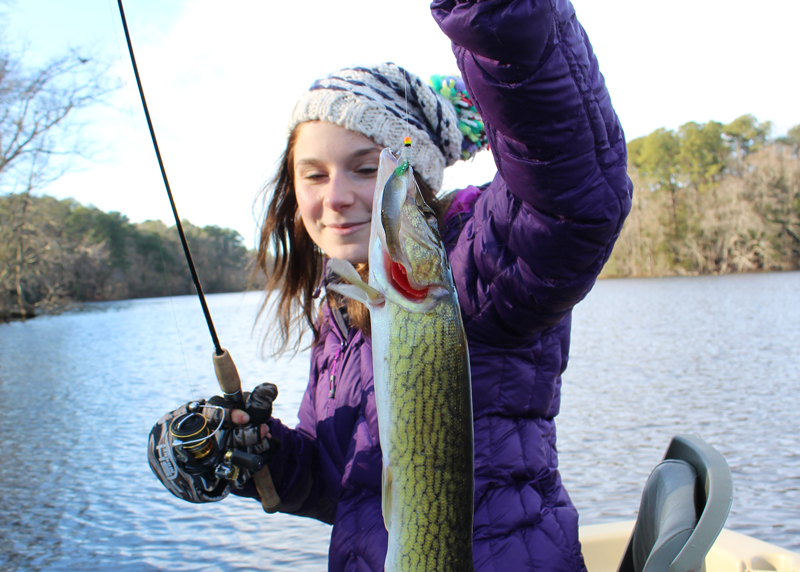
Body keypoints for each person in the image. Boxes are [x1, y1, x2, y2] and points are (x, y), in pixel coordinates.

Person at [149, 1, 632, 571]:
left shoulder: (477, 266)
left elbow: (573, 190)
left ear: (413, 175)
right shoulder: (344, 310)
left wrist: (498, 15)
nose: (335, 197)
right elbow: (342, 481)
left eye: (365, 166)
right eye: (315, 174)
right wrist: (261, 456)